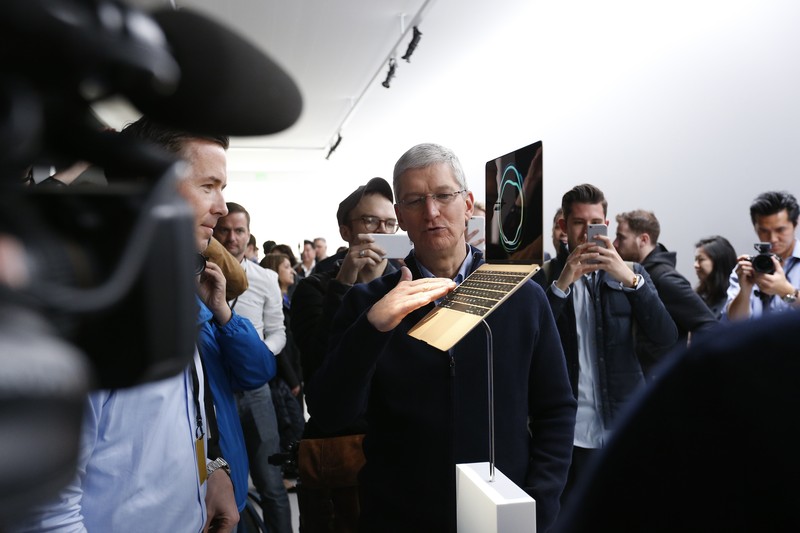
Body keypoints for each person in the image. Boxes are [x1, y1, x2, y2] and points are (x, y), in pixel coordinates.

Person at [13, 117, 273, 532]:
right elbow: (46, 514)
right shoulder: (90, 315)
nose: (222, 208)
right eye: (208, 187)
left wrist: (211, 468)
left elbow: (185, 415)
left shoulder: (174, 293)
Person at [306, 144, 576, 533]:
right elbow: (331, 414)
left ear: (467, 204)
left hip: (502, 513)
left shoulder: (520, 294)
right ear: (400, 216)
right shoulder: (368, 303)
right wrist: (372, 328)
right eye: (415, 201)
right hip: (398, 515)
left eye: (443, 196)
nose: (431, 213)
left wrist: (541, 501)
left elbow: (556, 408)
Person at [532, 183, 677, 508]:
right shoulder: (545, 279)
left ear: (606, 226)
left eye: (594, 223)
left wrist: (631, 281)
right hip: (568, 432)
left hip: (624, 425)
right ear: (563, 227)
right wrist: (562, 284)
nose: (586, 232)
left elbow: (666, 336)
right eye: (579, 223)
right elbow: (533, 344)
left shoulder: (633, 273)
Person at [291, 177, 400, 533]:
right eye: (370, 222)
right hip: (339, 450)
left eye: (389, 224)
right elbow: (318, 363)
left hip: (396, 449)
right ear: (345, 230)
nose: (380, 232)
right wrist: (345, 281)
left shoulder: (405, 283)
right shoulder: (315, 288)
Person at [213, 202, 293, 533]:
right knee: (223, 485)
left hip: (256, 390)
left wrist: (260, 352)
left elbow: (278, 331)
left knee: (271, 481)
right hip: (216, 390)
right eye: (225, 230)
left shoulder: (265, 278)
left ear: (249, 235)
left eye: (239, 231)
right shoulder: (197, 272)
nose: (232, 238)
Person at [613, 209, 717, 374]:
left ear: (644, 239)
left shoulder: (664, 278)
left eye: (621, 237)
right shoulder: (638, 274)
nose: (615, 244)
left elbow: (709, 326)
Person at [261, 251, 305, 484]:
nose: (292, 271)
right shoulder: (273, 300)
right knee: (291, 424)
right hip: (283, 378)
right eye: (286, 267)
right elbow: (278, 345)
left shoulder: (289, 297)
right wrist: (292, 379)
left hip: (294, 373)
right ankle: (289, 474)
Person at [725, 190, 800, 320]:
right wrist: (745, 291)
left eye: (780, 230)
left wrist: (786, 291)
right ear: (755, 228)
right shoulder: (748, 267)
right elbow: (735, 323)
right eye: (764, 231)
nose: (773, 238)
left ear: (795, 224)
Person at [693, 235, 738, 319]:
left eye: (701, 259)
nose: (695, 265)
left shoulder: (736, 296)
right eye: (695, 260)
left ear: (718, 261)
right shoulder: (700, 296)